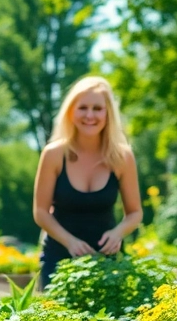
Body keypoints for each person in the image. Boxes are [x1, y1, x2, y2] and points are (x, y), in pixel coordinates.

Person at [32, 76, 143, 289]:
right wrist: (70, 242)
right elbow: (41, 212)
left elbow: (135, 212)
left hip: (109, 262)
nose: (90, 115)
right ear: (71, 111)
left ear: (108, 113)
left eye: (97, 108)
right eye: (83, 107)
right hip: (59, 260)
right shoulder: (53, 154)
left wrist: (117, 233)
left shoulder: (123, 156)